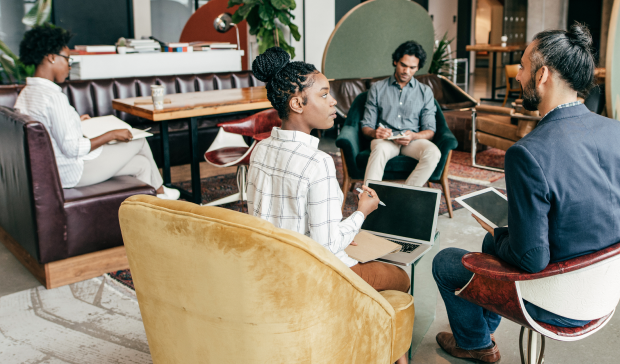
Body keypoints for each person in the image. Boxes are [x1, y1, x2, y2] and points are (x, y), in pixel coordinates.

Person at [432, 23, 620, 363]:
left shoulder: (528, 153)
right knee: (493, 245)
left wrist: (498, 231)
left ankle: (475, 345)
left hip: (557, 300)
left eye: (522, 67)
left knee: (446, 262)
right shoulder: (614, 131)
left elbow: (533, 259)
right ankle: (482, 334)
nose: (518, 76)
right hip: (605, 291)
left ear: (543, 74)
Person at [247, 47, 410, 364]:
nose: (334, 101)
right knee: (401, 278)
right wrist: (361, 212)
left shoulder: (261, 149)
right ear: (297, 103)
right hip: (316, 277)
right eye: (324, 94)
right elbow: (326, 248)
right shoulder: (317, 163)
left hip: (271, 271)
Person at [14, 24, 179, 199]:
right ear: (51, 58)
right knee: (139, 140)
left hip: (56, 168)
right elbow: (73, 148)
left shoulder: (28, 93)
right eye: (68, 59)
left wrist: (77, 121)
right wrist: (111, 135)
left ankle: (152, 209)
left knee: (142, 164)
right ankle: (161, 191)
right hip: (71, 172)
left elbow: (50, 129)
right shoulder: (53, 97)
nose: (69, 67)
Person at [361, 40, 441, 187]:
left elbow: (430, 130)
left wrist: (414, 136)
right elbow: (366, 126)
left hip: (412, 141)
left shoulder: (425, 92)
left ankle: (404, 195)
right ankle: (368, 200)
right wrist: (375, 133)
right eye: (403, 65)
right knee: (379, 149)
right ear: (395, 61)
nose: (407, 71)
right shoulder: (377, 88)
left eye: (412, 67)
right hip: (386, 141)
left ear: (418, 68)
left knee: (433, 152)